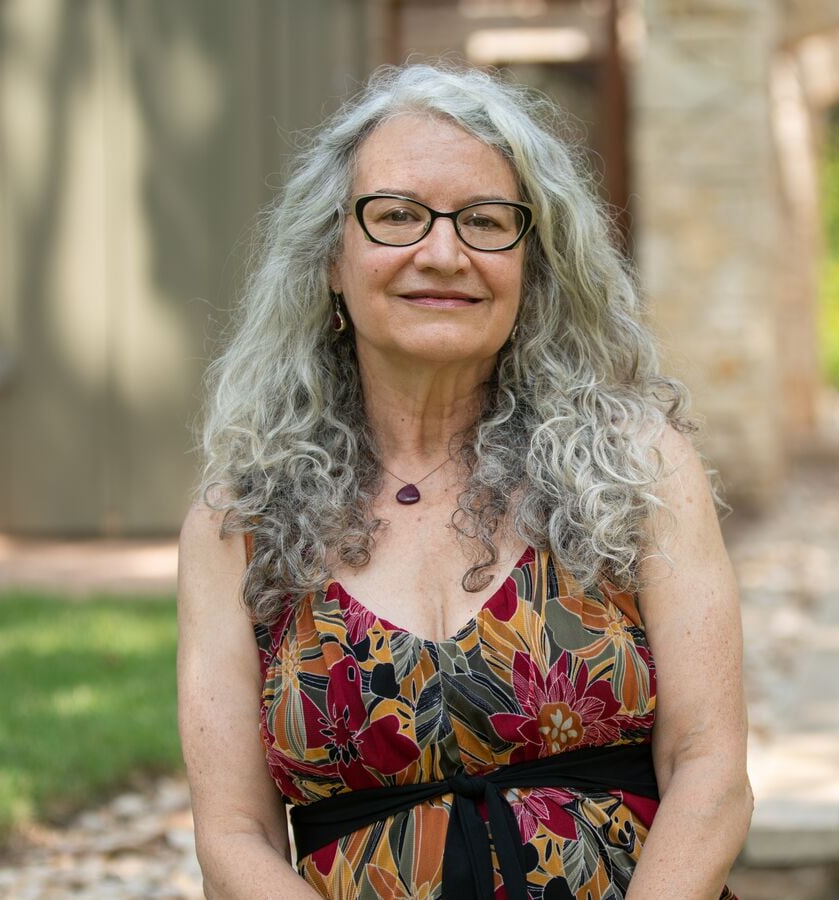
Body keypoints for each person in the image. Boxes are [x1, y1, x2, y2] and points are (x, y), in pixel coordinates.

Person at [176, 64, 750, 899]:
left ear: (533, 265)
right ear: (331, 258)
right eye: (398, 216)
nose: (443, 254)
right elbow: (234, 835)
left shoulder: (638, 465)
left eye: (485, 222)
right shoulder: (239, 523)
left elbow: (711, 773)